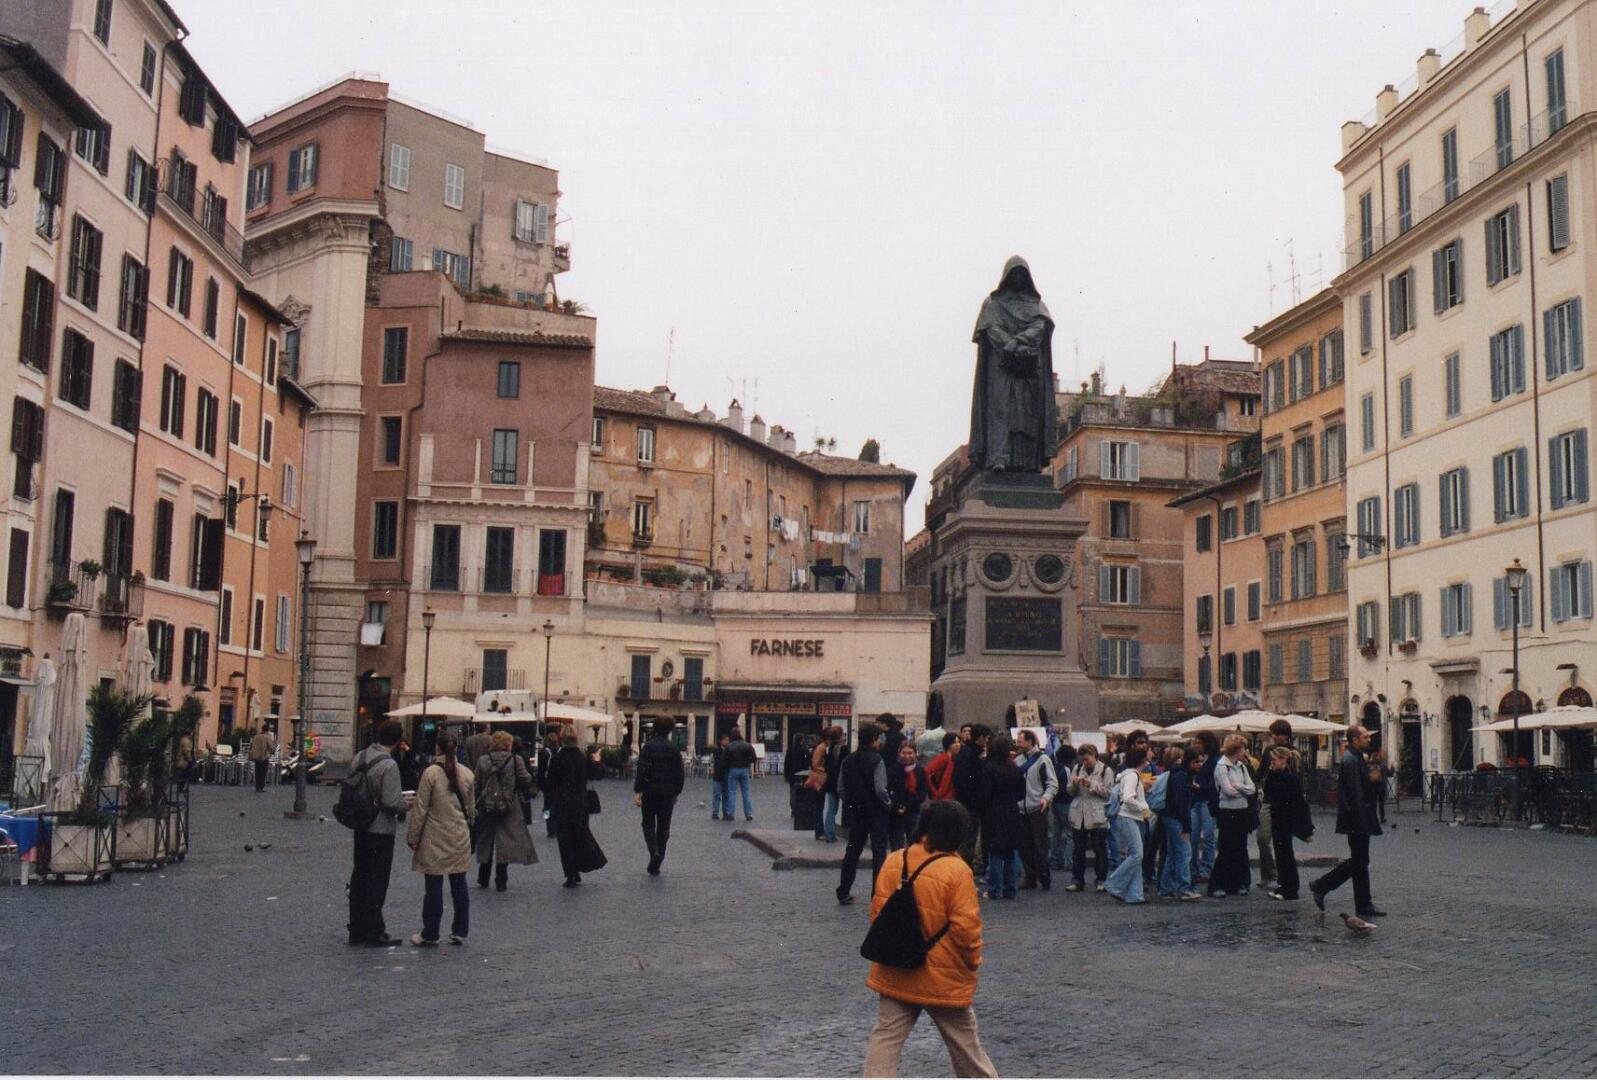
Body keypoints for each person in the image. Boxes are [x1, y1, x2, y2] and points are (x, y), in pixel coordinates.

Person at [861, 801, 997, 1079]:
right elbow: (966, 930)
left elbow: (878, 913)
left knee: (885, 1038)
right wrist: (972, 962)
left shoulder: (894, 860)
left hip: (896, 967)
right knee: (966, 1047)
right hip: (943, 975)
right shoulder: (957, 870)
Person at [405, 732, 475, 946]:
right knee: (459, 882)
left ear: (437, 748)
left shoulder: (431, 773)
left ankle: (430, 932)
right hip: (459, 835)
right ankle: (460, 930)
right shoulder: (467, 773)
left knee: (433, 886)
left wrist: (412, 836)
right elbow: (471, 810)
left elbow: (421, 809)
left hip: (434, 835)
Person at [1310, 724, 1385, 919]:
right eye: (1365, 736)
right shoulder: (1351, 759)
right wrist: (1362, 819)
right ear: (1355, 740)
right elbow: (1354, 792)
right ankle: (1322, 885)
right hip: (1357, 818)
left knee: (1360, 861)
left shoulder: (1356, 757)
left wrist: (1373, 780)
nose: (1369, 739)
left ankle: (1362, 903)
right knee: (1360, 861)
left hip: (1359, 817)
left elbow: (1361, 787)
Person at [348, 719, 410, 946]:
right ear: (398, 739)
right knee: (377, 880)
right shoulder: (389, 765)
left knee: (359, 877)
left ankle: (356, 928)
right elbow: (391, 802)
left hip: (361, 824)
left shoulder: (361, 756)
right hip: (380, 829)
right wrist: (406, 805)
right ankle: (374, 930)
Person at [473, 731, 537, 891]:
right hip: (509, 805)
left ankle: (483, 876)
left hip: (487, 805)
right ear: (508, 744)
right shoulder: (515, 760)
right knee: (505, 841)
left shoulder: (483, 760)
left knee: (486, 839)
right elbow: (526, 778)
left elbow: (476, 784)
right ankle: (501, 879)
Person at [837, 721, 891, 905]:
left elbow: (841, 788)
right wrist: (888, 804)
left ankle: (843, 890)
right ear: (873, 739)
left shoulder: (848, 760)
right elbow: (880, 789)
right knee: (879, 852)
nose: (880, 741)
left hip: (857, 811)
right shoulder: (877, 760)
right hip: (876, 811)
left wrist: (851, 802)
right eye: (879, 738)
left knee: (852, 851)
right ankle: (877, 893)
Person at [544, 731, 607, 887]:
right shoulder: (583, 758)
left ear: (562, 740)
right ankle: (580, 865)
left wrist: (549, 804)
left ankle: (571, 873)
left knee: (565, 839)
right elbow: (598, 774)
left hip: (562, 803)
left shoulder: (557, 759)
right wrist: (597, 761)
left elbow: (549, 783)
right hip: (581, 802)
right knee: (580, 835)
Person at [633, 718, 686, 874]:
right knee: (664, 825)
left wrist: (638, 790)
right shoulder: (673, 748)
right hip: (667, 791)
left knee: (648, 823)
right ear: (669, 730)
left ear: (655, 729)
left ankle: (653, 851)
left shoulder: (648, 747)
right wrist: (677, 792)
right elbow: (679, 773)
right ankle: (658, 858)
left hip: (650, 789)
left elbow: (642, 769)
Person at [977, 735, 1024, 900]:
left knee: (995, 852)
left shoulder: (989, 769)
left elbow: (984, 793)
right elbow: (1021, 793)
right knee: (1011, 851)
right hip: (1012, 811)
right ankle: (1011, 888)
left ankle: (994, 889)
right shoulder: (1015, 768)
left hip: (993, 812)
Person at [1209, 734, 1257, 898]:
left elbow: (1252, 788)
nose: (1245, 752)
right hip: (1227, 811)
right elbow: (1227, 790)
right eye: (1243, 748)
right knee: (1226, 847)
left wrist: (1239, 787)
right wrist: (1243, 790)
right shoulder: (1222, 766)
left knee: (1240, 847)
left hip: (1242, 810)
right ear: (1236, 750)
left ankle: (1239, 883)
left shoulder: (1242, 766)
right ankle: (1218, 884)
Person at [1263, 745, 1311, 901]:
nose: (1272, 762)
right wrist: (1271, 772)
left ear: (1284, 760)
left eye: (1274, 760)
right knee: (1280, 853)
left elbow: (1296, 801)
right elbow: (1268, 792)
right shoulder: (1276, 775)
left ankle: (1291, 889)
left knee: (1286, 854)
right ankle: (1283, 884)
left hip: (1286, 819)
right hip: (1278, 818)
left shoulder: (1290, 778)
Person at [1104, 745, 1150, 904]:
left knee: (1134, 854)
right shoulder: (1133, 776)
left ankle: (1135, 894)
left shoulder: (1128, 775)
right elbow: (1128, 798)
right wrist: (1143, 808)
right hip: (1128, 816)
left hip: (1128, 817)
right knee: (1137, 854)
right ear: (1143, 760)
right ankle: (1114, 883)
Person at [1015, 730, 1058, 891]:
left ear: (1030, 741)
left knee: (1040, 845)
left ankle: (1044, 876)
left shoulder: (1043, 759)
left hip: (1038, 807)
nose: (1018, 744)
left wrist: (1046, 798)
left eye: (1020, 741)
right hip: (1021, 808)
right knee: (1024, 845)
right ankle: (1030, 876)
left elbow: (1052, 783)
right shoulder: (1017, 760)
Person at [1156, 746, 1201, 901]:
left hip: (1169, 816)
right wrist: (1187, 827)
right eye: (1197, 762)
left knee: (1173, 852)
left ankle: (1166, 888)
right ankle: (1184, 888)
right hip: (1175, 817)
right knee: (1184, 851)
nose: (1200, 765)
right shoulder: (1182, 777)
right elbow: (1181, 804)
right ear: (1190, 762)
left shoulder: (1178, 774)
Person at [1065, 744, 1111, 892]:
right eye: (1082, 760)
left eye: (1087, 760)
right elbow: (1069, 791)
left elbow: (1109, 794)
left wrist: (1092, 784)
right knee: (1078, 850)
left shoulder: (1105, 770)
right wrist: (1074, 784)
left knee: (1100, 850)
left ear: (1094, 756)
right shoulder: (1077, 768)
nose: (1085, 763)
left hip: (1097, 815)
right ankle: (1077, 880)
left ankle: (1101, 880)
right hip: (1079, 815)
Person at [951, 724, 990, 867]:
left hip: (969, 802)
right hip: (970, 804)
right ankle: (964, 867)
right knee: (968, 838)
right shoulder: (971, 755)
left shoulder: (967, 752)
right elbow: (965, 780)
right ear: (980, 738)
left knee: (969, 838)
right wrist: (975, 798)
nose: (987, 741)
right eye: (986, 738)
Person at [1189, 731, 1220, 883]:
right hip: (1195, 801)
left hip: (1207, 801)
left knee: (1208, 836)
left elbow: (1215, 785)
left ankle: (1206, 869)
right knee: (1193, 837)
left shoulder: (1214, 761)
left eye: (1199, 742)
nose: (1196, 745)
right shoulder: (1195, 758)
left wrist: (1199, 787)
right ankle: (1193, 868)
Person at [887, 742, 929, 850]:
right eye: (904, 753)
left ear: (915, 754)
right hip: (896, 812)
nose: (907, 756)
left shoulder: (920, 771)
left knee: (915, 844)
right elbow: (889, 790)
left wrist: (907, 805)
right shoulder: (893, 770)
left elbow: (922, 793)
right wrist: (898, 806)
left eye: (910, 753)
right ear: (899, 753)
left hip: (913, 811)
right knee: (897, 845)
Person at [813, 726, 846, 842]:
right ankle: (828, 833)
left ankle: (828, 833)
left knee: (831, 808)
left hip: (830, 781)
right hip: (836, 780)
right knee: (831, 808)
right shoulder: (837, 747)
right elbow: (816, 764)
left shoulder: (829, 748)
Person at [1048, 743, 1077, 874]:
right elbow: (1069, 787)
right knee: (1069, 832)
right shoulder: (1067, 770)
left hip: (1055, 802)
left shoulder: (1055, 768)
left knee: (1057, 831)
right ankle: (1068, 861)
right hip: (1066, 802)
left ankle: (1055, 859)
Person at [723, 727, 757, 822]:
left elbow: (724, 760)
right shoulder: (747, 745)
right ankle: (748, 814)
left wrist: (729, 766)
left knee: (731, 792)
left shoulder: (729, 746)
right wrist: (747, 762)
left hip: (733, 769)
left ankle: (731, 813)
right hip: (744, 769)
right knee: (746, 792)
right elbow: (754, 758)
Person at [537, 731, 561, 837]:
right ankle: (556, 825)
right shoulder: (561, 752)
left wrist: (540, 785)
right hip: (559, 783)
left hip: (547, 784)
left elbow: (540, 771)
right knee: (558, 806)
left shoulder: (543, 753)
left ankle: (549, 826)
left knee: (546, 807)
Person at [925, 733, 959, 802]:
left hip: (949, 797)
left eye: (958, 742)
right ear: (948, 745)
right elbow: (927, 771)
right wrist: (935, 791)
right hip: (942, 798)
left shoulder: (953, 759)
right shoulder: (943, 758)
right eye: (954, 743)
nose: (958, 745)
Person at [710, 733, 732, 821]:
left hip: (726, 775)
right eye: (726, 740)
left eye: (728, 740)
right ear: (721, 741)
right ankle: (715, 813)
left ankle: (725, 812)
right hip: (718, 775)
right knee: (717, 794)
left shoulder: (729, 750)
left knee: (726, 795)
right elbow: (719, 762)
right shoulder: (717, 750)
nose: (727, 742)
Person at [248, 724, 275, 793]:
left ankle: (257, 786)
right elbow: (271, 747)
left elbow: (251, 746)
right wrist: (272, 752)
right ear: (268, 730)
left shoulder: (256, 737)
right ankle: (261, 786)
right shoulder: (267, 737)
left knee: (257, 771)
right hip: (264, 757)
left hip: (256, 757)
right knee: (263, 772)